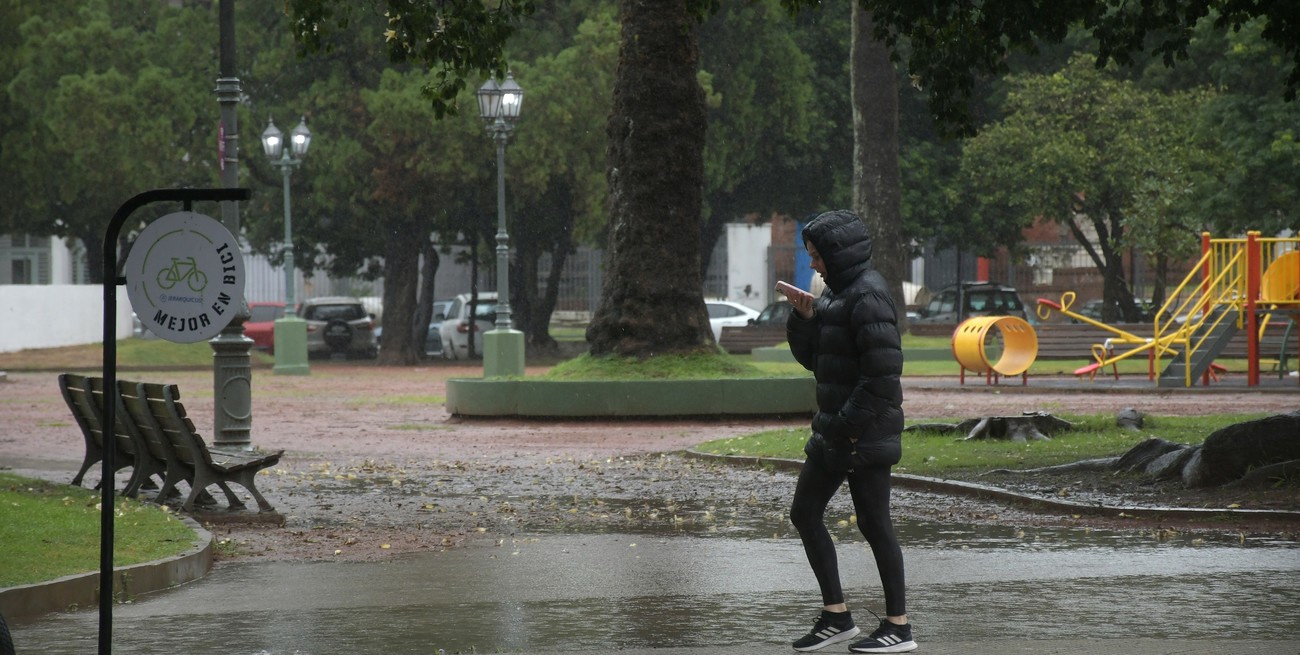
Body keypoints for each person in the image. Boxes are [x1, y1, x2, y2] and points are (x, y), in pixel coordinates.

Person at [781, 209, 915, 653]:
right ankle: (836, 616)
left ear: (838, 253)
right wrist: (803, 317)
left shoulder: (868, 296)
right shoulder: (836, 294)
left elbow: (882, 377)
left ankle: (898, 627)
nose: (813, 264)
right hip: (836, 432)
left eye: (818, 256)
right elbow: (816, 361)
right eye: (811, 255)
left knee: (875, 524)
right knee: (805, 513)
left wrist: (846, 427)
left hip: (861, 435)